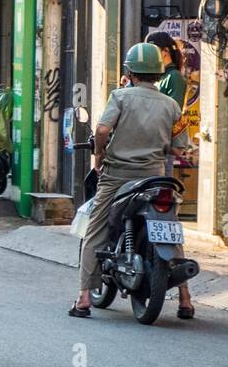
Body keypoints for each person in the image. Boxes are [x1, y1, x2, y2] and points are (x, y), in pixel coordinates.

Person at [72, 43, 194, 320]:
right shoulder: (172, 105)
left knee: (96, 229)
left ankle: (83, 298)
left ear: (130, 71)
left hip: (118, 176)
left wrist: (99, 154)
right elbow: (178, 148)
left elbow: (102, 129)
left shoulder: (120, 97)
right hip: (155, 178)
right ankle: (185, 299)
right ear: (158, 73)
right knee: (170, 230)